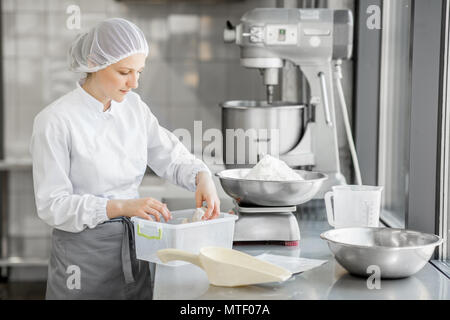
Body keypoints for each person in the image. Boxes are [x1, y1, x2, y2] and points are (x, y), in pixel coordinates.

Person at [29, 18, 220, 300]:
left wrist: (200, 176)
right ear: (94, 62)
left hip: (134, 251)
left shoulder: (133, 108)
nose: (134, 83)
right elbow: (52, 206)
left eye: (139, 72)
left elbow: (169, 155)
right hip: (83, 261)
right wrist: (121, 206)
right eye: (124, 72)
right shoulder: (55, 121)